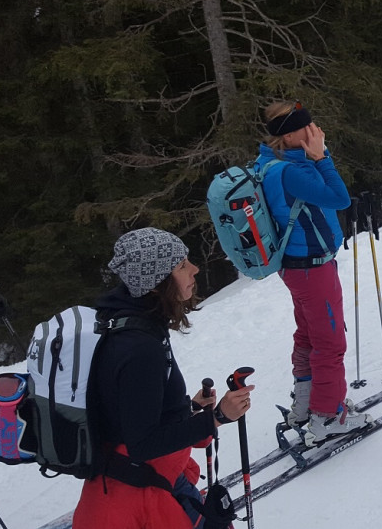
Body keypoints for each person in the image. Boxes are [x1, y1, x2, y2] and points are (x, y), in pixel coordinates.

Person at [74, 227, 254, 529]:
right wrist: (218, 417)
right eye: (182, 265)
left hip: (147, 478)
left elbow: (129, 408)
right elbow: (142, 444)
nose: (194, 269)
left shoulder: (131, 323)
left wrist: (188, 410)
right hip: (137, 494)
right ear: (155, 283)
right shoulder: (139, 348)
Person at [256, 100, 370, 443]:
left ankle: (307, 404)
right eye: (309, 127)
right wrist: (322, 157)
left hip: (296, 267)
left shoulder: (271, 162)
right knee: (330, 343)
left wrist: (312, 155)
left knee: (308, 335)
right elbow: (339, 198)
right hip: (312, 268)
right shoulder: (293, 172)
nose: (316, 130)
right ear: (291, 134)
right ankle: (328, 416)